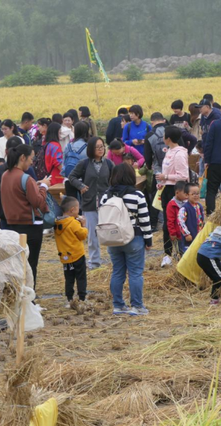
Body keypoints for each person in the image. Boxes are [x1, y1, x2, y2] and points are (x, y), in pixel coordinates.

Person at [99, 163, 152, 316]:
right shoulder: (137, 196)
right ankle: (137, 306)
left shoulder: (105, 196)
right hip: (133, 238)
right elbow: (144, 220)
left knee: (117, 272)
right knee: (135, 273)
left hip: (113, 238)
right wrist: (148, 241)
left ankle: (118, 305)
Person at [0, 144, 51, 291]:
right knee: (30, 264)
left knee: (16, 264)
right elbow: (38, 202)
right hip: (31, 227)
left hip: (11, 226)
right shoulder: (25, 178)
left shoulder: (5, 175)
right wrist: (44, 187)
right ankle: (29, 297)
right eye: (31, 159)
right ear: (22, 158)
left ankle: (17, 293)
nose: (31, 162)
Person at [68, 137, 114, 270]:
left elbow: (114, 179)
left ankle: (114, 260)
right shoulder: (84, 163)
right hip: (89, 203)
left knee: (110, 233)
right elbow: (72, 177)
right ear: (91, 149)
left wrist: (111, 192)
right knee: (92, 236)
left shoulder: (109, 164)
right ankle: (94, 262)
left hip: (106, 204)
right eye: (98, 147)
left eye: (102, 146)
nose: (101, 149)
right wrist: (81, 186)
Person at [156, 125, 190, 267]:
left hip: (176, 191)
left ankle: (183, 252)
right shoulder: (169, 151)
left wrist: (166, 176)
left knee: (179, 222)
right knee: (168, 223)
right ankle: (168, 253)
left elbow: (183, 176)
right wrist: (163, 181)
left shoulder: (179, 153)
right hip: (167, 189)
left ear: (168, 138)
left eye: (164, 135)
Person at [0, 137, 37, 229]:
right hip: (22, 215)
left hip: (3, 212)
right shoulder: (27, 170)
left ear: (6, 151)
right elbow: (34, 192)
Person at [54, 197, 88, 308]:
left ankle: (69, 298)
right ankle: (82, 298)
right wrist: (83, 225)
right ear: (72, 210)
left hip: (65, 257)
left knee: (69, 278)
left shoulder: (58, 222)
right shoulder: (73, 223)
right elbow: (82, 235)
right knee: (81, 277)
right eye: (78, 208)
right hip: (77, 255)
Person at [143, 112, 169, 231]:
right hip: (174, 171)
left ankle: (153, 224)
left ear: (152, 122)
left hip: (158, 171)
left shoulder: (149, 135)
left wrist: (149, 166)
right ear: (163, 120)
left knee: (156, 196)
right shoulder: (171, 130)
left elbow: (147, 156)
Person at [63, 122, 89, 202]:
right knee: (85, 206)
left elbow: (64, 161)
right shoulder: (88, 146)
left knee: (72, 205)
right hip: (84, 180)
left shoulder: (69, 146)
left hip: (69, 179)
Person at [165, 180, 188, 256]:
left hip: (187, 232)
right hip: (178, 234)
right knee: (182, 251)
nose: (186, 195)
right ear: (177, 193)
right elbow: (170, 221)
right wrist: (172, 233)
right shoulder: (171, 205)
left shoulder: (187, 202)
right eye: (184, 193)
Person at [178, 182, 205, 248]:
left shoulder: (200, 206)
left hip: (199, 236)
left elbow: (202, 220)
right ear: (187, 195)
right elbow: (181, 222)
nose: (196, 196)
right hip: (190, 237)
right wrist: (186, 234)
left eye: (197, 193)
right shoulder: (185, 208)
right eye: (193, 194)